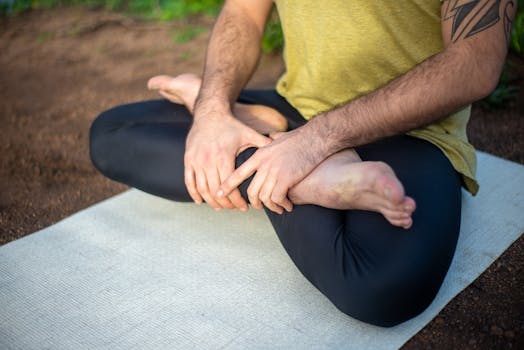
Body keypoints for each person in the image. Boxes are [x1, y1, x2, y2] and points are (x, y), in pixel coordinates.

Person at [89, 0, 516, 327]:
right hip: (298, 107)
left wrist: (316, 141)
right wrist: (213, 111)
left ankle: (264, 133)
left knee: (376, 288)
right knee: (111, 135)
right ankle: (307, 177)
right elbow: (242, 12)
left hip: (408, 132)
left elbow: (474, 63)